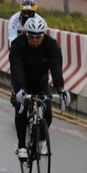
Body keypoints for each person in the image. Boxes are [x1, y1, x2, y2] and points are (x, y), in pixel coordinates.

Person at [9, 15, 70, 160]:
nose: (34, 40)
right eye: (31, 37)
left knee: (47, 112)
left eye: (38, 37)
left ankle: (42, 139)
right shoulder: (18, 45)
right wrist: (19, 89)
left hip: (41, 81)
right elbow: (16, 68)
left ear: (43, 35)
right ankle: (22, 146)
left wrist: (61, 88)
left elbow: (56, 66)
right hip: (23, 82)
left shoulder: (51, 45)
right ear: (26, 34)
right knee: (22, 108)